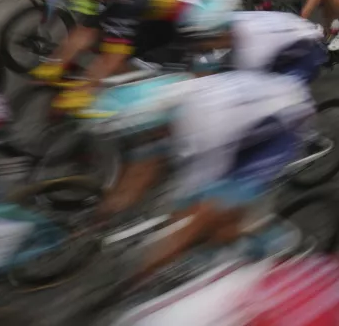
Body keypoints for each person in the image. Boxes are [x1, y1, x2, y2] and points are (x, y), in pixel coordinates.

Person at [107, 69, 316, 283]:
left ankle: (272, 244)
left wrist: (148, 265)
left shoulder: (202, 126)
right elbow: (146, 163)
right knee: (195, 212)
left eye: (152, 132)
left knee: (216, 213)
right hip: (244, 121)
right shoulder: (165, 95)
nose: (150, 136)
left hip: (279, 129)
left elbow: (198, 187)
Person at [15, 0, 197, 110]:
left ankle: (146, 101)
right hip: (147, 1)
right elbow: (85, 29)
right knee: (99, 44)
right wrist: (57, 63)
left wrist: (85, 88)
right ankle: (136, 87)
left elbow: (112, 55)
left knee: (119, 60)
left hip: (179, 20)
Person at [184, 0, 327, 84]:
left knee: (277, 104)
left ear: (222, 34)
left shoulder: (252, 51)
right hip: (289, 35)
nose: (202, 45)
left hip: (307, 55)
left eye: (206, 40)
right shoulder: (233, 20)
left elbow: (251, 86)